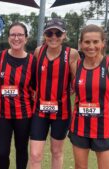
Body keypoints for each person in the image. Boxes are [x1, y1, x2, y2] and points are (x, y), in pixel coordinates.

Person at [69, 24, 109, 169]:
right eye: (87, 42)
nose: (91, 46)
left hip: (105, 128)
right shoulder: (75, 65)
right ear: (81, 44)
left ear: (103, 43)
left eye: (96, 42)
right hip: (79, 127)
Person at [29, 18, 80, 169]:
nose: (53, 37)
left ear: (64, 35)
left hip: (61, 113)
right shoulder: (39, 51)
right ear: (44, 34)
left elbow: (77, 81)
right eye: (49, 33)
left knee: (56, 152)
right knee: (35, 154)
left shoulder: (72, 54)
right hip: (40, 112)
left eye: (58, 33)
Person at [0, 22, 36, 169]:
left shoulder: (32, 61)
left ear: (26, 38)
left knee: (21, 151)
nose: (16, 38)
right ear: (8, 38)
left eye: (20, 35)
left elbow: (37, 88)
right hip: (2, 115)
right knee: (2, 153)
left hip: (24, 115)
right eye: (13, 34)